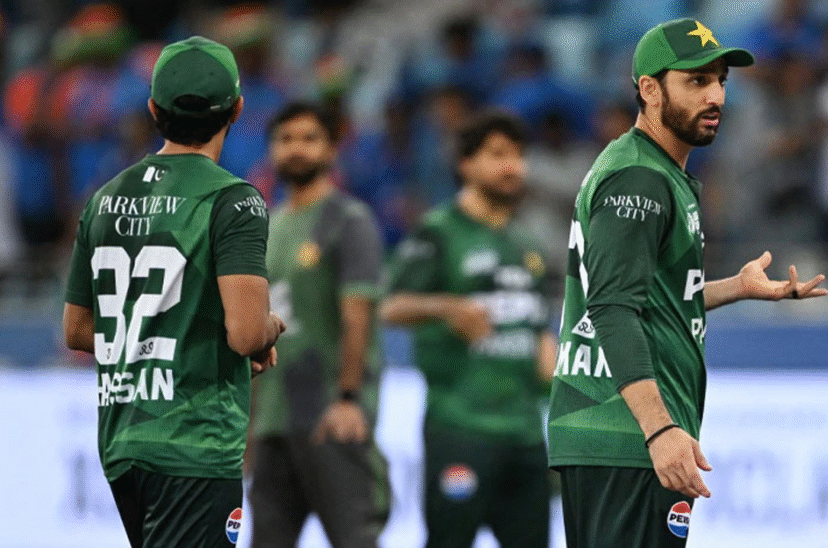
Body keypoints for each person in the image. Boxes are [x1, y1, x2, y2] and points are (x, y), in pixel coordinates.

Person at [546, 18, 828, 547]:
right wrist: (659, 430)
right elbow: (612, 308)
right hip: (626, 433)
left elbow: (648, 295)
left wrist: (735, 287)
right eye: (696, 81)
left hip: (619, 436)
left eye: (720, 80)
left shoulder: (653, 170)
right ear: (650, 89)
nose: (716, 96)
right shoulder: (640, 179)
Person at [62, 36, 284, 548]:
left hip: (123, 441)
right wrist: (270, 327)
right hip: (194, 441)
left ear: (153, 110)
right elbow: (247, 334)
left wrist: (170, 340)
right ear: (238, 109)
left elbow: (77, 329)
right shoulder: (234, 201)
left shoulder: (104, 199)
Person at [381, 111, 557, 548]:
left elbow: (539, 337)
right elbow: (389, 306)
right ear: (466, 164)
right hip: (460, 427)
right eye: (498, 154)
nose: (512, 166)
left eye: (518, 155)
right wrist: (447, 307)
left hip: (525, 434)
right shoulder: (439, 232)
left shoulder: (527, 245)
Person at [248, 102, 390, 548]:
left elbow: (357, 315)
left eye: (309, 139)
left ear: (331, 149)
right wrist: (250, 425)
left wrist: (348, 398)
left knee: (355, 540)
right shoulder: (267, 227)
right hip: (273, 421)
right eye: (285, 139)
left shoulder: (348, 221)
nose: (297, 149)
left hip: (330, 416)